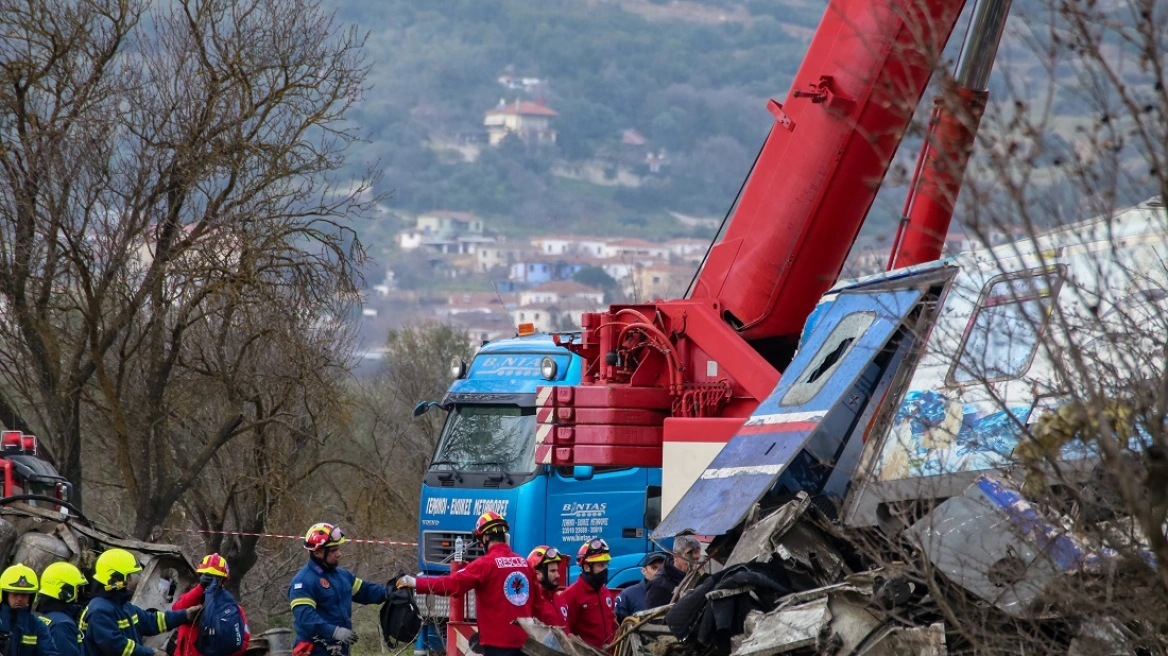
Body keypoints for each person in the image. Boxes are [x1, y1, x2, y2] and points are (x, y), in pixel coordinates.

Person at [396, 511, 538, 656]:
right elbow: (539, 603)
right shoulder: (524, 564)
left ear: (486, 537)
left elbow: (452, 584)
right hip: (528, 644)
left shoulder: (484, 564)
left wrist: (416, 582)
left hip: (498, 645)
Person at [288, 522, 389, 656]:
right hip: (314, 651)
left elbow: (366, 591)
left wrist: (390, 591)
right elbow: (306, 619)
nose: (339, 553)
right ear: (318, 552)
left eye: (338, 548)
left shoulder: (341, 575)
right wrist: (335, 632)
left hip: (339, 650)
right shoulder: (302, 582)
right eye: (333, 550)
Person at [81, 548, 200, 656]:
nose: (131, 580)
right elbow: (116, 646)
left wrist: (185, 615)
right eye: (128, 576)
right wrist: (151, 653)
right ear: (115, 579)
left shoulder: (123, 605)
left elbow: (152, 621)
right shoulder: (99, 611)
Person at [173, 554, 250, 656]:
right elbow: (176, 610)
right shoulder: (192, 600)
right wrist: (200, 588)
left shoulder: (232, 608)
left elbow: (244, 639)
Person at [557, 539, 616, 651]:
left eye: (605, 565)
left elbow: (612, 625)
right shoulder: (571, 595)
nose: (605, 570)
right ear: (587, 567)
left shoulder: (606, 593)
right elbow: (566, 633)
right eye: (600, 565)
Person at [0, 563, 57, 656]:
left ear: (31, 597)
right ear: (5, 595)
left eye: (24, 594)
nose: (19, 599)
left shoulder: (37, 626)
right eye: (15, 594)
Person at [35, 562, 88, 656]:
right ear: (65, 590)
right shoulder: (62, 624)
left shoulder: (44, 616)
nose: (79, 591)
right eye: (77, 588)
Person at [644, 536, 702, 609]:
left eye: (697, 559)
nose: (694, 563)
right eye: (690, 558)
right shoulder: (658, 584)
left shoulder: (698, 579)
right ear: (675, 556)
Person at [614, 552, 667, 622]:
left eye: (662, 568)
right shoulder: (628, 595)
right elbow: (616, 625)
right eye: (654, 568)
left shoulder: (672, 593)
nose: (659, 571)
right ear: (644, 571)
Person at [525, 546, 565, 627]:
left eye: (557, 570)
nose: (558, 575)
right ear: (537, 574)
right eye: (552, 571)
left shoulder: (557, 598)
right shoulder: (532, 604)